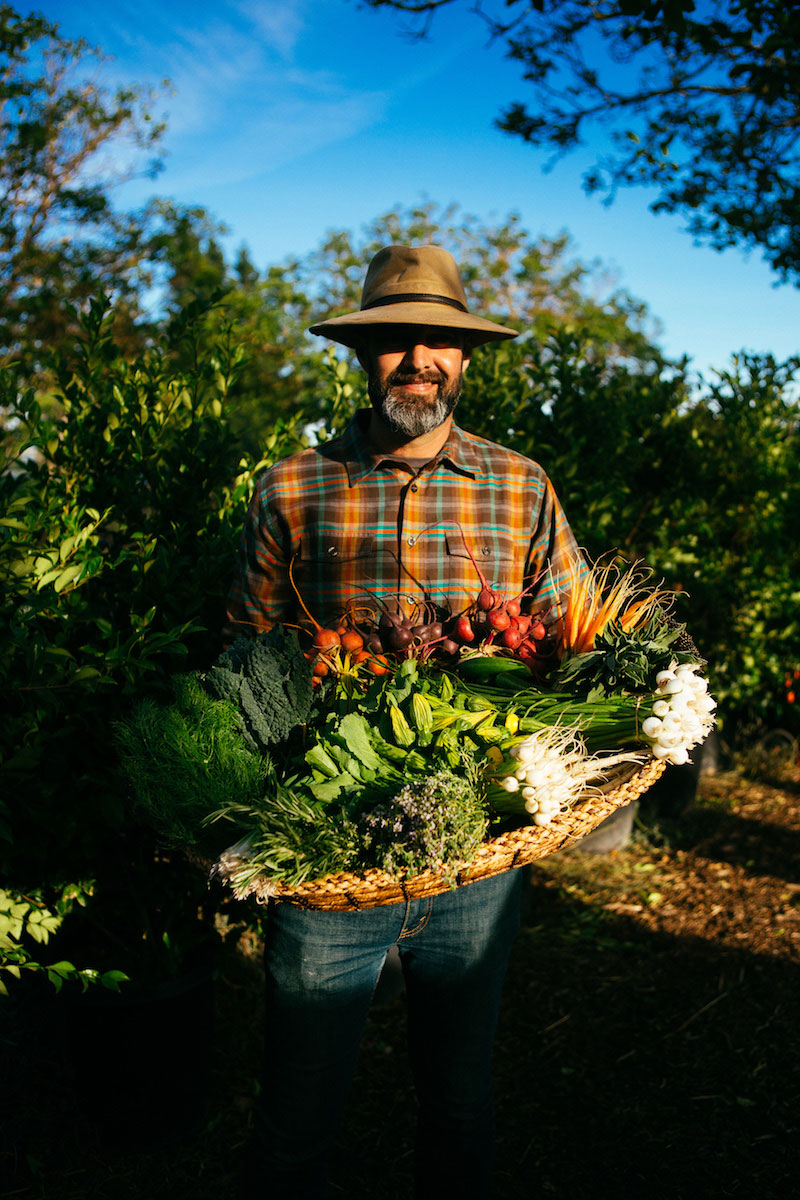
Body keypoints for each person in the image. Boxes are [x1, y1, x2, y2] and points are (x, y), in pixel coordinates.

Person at [226, 245, 584, 1199]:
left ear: (467, 358)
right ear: (361, 354)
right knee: (296, 1120)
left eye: (438, 341)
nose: (417, 358)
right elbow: (242, 655)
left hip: (476, 864)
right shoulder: (292, 486)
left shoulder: (522, 487)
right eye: (392, 341)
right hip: (327, 855)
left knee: (460, 1103)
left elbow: (576, 644)